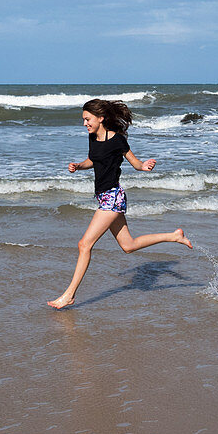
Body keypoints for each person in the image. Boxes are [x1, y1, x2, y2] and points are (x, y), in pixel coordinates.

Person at [48, 98, 192, 309]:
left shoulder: (118, 140)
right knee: (128, 245)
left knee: (84, 244)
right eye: (84, 119)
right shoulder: (92, 138)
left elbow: (136, 164)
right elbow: (93, 160)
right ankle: (173, 236)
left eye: (87, 119)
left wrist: (145, 166)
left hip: (113, 197)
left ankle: (69, 294)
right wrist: (79, 166)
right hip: (105, 197)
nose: (84, 123)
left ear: (100, 118)